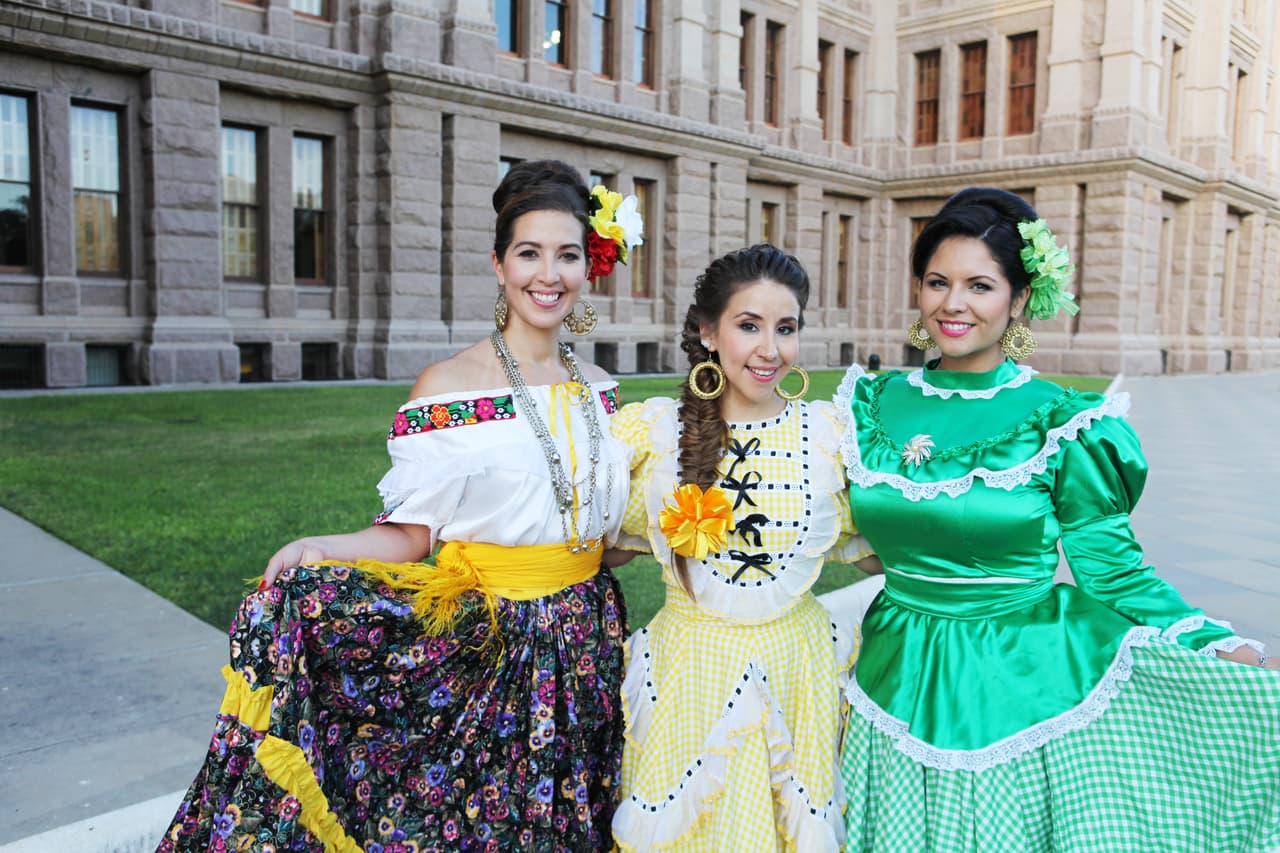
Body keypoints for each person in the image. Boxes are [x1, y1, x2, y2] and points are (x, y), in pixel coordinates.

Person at [158, 159, 642, 853]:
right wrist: (324, 549)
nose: (548, 273)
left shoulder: (600, 388)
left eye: (566, 254)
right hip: (496, 644)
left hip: (589, 641)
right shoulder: (448, 387)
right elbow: (412, 534)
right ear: (499, 264)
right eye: (529, 252)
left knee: (578, 820)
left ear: (588, 266)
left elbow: (601, 534)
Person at [834, 187, 1280, 851]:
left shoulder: (1065, 419)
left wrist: (1211, 641)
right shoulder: (867, 404)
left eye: (979, 285)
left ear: (1017, 299)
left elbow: (1113, 569)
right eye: (937, 281)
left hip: (1019, 681)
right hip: (893, 673)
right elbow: (836, 527)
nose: (953, 303)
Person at [606, 244, 880, 852]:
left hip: (798, 674)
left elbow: (872, 556)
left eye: (786, 329)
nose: (769, 349)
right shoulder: (652, 435)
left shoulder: (831, 438)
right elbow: (603, 551)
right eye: (748, 325)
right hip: (690, 674)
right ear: (708, 331)